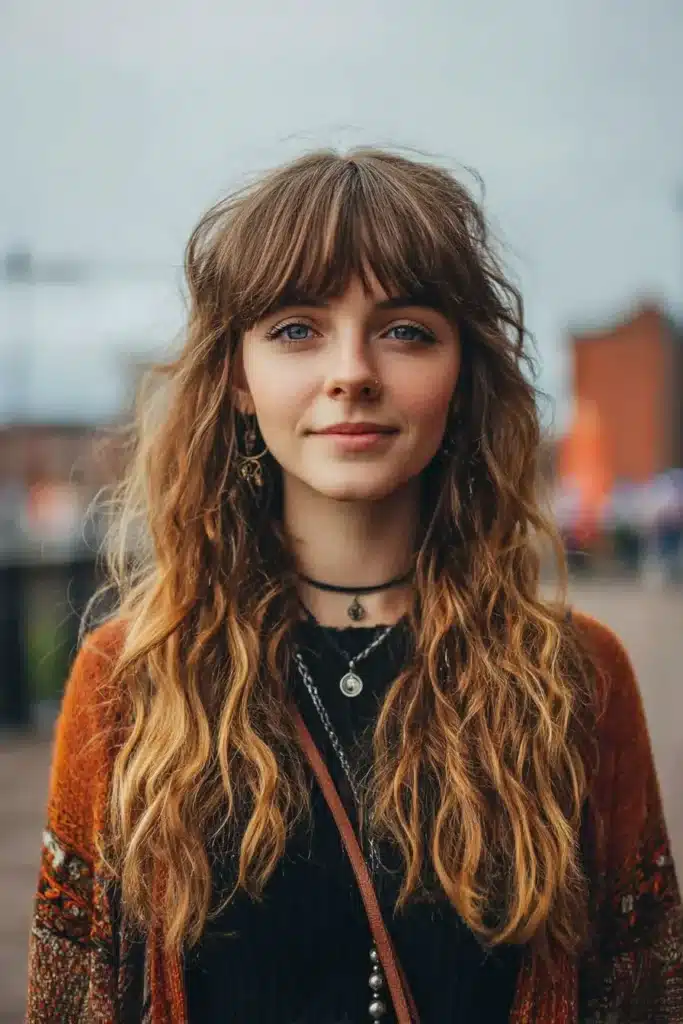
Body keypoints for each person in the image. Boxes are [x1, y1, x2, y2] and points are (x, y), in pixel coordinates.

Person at [27, 149, 682, 1023]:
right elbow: (73, 1001)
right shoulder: (131, 680)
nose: (352, 371)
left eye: (405, 329)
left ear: (462, 372)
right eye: (296, 328)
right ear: (236, 377)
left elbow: (640, 994)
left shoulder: (576, 678)